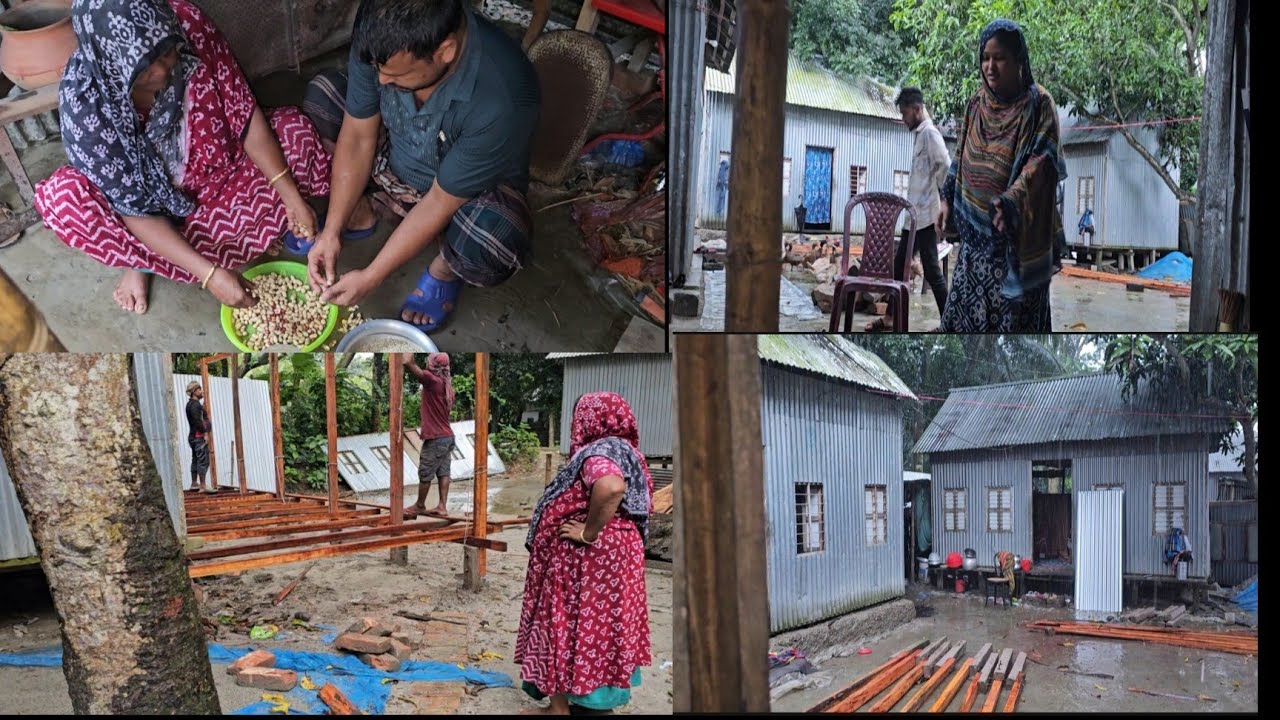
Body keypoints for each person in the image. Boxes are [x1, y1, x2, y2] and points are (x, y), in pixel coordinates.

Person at [33, 0, 332, 315]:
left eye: (166, 53)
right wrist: (209, 275)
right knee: (65, 201)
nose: (162, 70)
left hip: (215, 180)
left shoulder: (186, 25)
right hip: (148, 215)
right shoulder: (86, 103)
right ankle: (145, 263)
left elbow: (242, 112)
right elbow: (134, 209)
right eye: (144, 67)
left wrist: (290, 196)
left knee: (294, 133)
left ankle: (219, 246)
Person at [301, 0, 541, 332]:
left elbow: (441, 200)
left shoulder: (505, 98)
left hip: (457, 193)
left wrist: (372, 277)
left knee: (494, 241)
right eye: (379, 69)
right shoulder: (378, 29)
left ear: (445, 51)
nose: (381, 80)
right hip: (394, 155)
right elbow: (357, 135)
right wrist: (331, 231)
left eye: (397, 74)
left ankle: (444, 269)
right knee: (323, 95)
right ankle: (360, 208)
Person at [515, 392, 653, 715]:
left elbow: (610, 486)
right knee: (604, 627)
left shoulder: (598, 453)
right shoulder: (629, 453)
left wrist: (587, 532)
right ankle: (592, 700)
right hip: (620, 555)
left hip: (588, 557)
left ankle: (559, 708)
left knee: (562, 622)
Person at [936, 19, 1067, 332]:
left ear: (1019, 61)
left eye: (1000, 58)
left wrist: (1011, 202)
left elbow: (1041, 162)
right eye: (985, 57)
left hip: (1015, 251)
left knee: (1013, 335)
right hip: (973, 253)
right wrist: (946, 199)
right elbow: (960, 156)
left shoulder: (1039, 105)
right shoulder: (975, 104)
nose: (990, 66)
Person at [879, 87, 950, 330]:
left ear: (917, 109)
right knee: (901, 265)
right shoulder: (920, 134)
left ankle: (949, 322)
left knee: (931, 270)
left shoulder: (930, 133)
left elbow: (945, 166)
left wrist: (943, 203)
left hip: (925, 217)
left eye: (905, 113)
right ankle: (891, 318)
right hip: (914, 216)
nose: (903, 118)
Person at [402, 353, 456, 518]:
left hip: (436, 438)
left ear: (433, 365)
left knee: (425, 472)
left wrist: (408, 347)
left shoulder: (432, 381)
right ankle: (442, 506)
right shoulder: (447, 384)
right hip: (447, 436)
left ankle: (419, 505)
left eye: (429, 360)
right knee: (443, 472)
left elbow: (407, 362)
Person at [185, 381, 213, 492]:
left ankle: (194, 483)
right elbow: (198, 422)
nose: (202, 392)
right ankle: (202, 485)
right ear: (195, 391)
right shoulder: (195, 406)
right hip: (198, 436)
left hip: (192, 437)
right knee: (203, 459)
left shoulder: (190, 404)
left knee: (195, 459)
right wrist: (205, 433)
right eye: (200, 389)